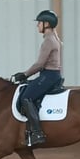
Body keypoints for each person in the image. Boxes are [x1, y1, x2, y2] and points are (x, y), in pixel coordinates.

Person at [12, 9, 62, 146]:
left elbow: (40, 64)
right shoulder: (52, 38)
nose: (37, 25)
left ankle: (37, 133)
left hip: (49, 75)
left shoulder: (49, 41)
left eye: (39, 22)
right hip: (51, 75)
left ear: (46, 24)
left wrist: (25, 74)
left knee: (26, 97)